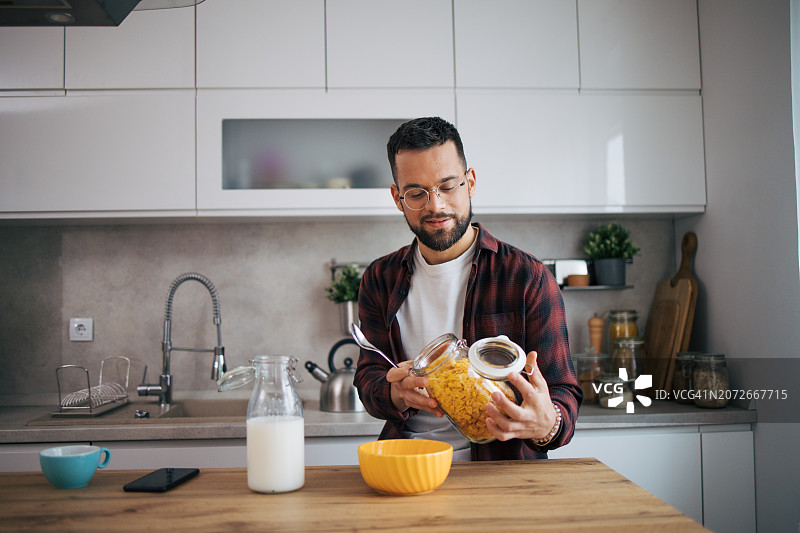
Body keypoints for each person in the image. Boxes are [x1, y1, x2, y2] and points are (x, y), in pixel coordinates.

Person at [354, 117, 582, 461]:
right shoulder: (379, 278)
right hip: (408, 465)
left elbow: (563, 393)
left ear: (470, 182)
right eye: (416, 193)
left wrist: (546, 424)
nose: (436, 205)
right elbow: (369, 376)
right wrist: (395, 392)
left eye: (448, 186)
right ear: (397, 198)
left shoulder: (527, 277)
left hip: (499, 474)